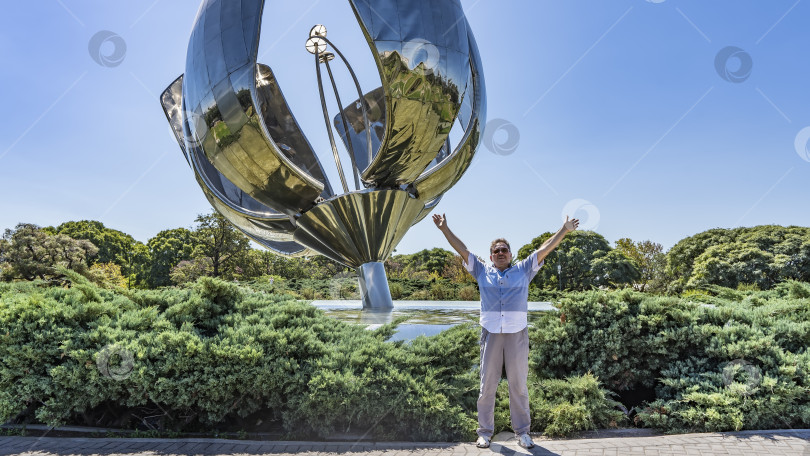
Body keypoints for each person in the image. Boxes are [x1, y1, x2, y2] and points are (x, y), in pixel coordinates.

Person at [432, 213, 579, 449]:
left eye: (504, 250)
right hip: (490, 334)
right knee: (486, 385)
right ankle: (485, 432)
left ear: (510, 255)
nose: (501, 253)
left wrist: (563, 230)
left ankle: (522, 432)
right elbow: (462, 249)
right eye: (497, 251)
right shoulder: (481, 270)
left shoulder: (523, 269)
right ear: (491, 256)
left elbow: (545, 248)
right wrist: (444, 229)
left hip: (517, 334)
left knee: (518, 385)